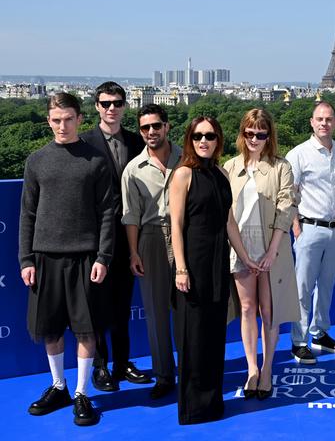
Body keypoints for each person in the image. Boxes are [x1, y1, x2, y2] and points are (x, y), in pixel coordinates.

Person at [19, 93, 113, 426]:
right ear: (48, 121)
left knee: (86, 331)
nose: (62, 125)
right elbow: (27, 214)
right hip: (45, 259)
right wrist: (26, 260)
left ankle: (81, 393)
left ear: (79, 119)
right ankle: (58, 386)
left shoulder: (96, 161)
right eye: (56, 119)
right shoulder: (36, 161)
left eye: (68, 118)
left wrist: (103, 256)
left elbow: (107, 214)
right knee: (50, 329)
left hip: (85, 259)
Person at [169, 117, 260, 424]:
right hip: (192, 265)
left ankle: (211, 401)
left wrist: (245, 257)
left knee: (213, 335)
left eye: (210, 135)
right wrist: (181, 269)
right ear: (189, 140)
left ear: (219, 139)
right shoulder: (182, 174)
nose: (204, 141)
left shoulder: (221, 173)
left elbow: (228, 222)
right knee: (193, 336)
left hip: (218, 264)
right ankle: (193, 408)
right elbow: (176, 226)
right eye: (197, 136)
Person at [224, 108, 300, 400]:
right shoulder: (229, 167)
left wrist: (271, 252)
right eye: (249, 133)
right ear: (242, 134)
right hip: (240, 247)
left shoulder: (282, 167)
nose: (255, 139)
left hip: (273, 247)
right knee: (246, 309)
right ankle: (252, 369)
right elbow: (227, 214)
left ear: (270, 136)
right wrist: (242, 253)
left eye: (261, 134)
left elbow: (286, 209)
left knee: (269, 312)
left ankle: (267, 369)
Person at [81, 81, 151, 392]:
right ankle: (100, 365)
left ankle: (122, 364)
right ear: (96, 105)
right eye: (106, 102)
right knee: (96, 305)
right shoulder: (82, 144)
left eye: (118, 102)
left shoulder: (138, 142)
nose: (112, 108)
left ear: (125, 106)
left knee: (123, 305)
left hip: (128, 236)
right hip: (94, 238)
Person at [121, 104, 180, 399]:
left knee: (188, 308)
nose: (151, 132)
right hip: (152, 238)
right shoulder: (133, 169)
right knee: (156, 313)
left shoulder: (188, 157)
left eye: (156, 126)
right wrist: (133, 252)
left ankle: (194, 369)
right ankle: (164, 375)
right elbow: (131, 215)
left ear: (167, 126)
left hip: (187, 237)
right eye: (145, 128)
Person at [286, 102, 335, 364]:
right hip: (309, 229)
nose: (324, 123)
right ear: (311, 122)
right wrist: (296, 227)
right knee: (303, 287)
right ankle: (298, 341)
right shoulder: (298, 154)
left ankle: (319, 333)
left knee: (327, 285)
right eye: (319, 119)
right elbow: (289, 193)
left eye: (329, 119)